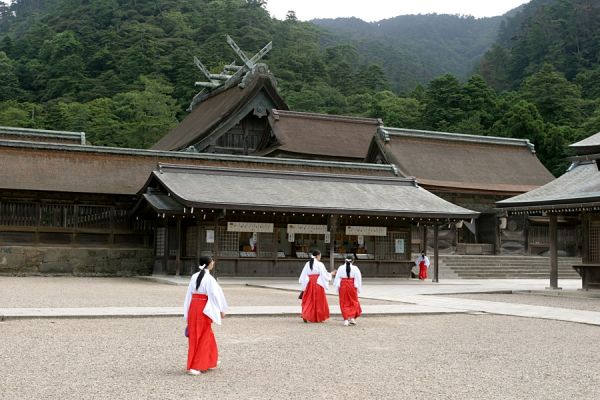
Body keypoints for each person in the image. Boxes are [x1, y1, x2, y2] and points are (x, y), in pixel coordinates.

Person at [183, 256, 228, 375]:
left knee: (202, 334)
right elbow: (215, 295)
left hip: (194, 306)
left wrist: (187, 312)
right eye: (212, 261)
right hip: (203, 307)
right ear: (209, 264)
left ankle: (210, 359)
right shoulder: (209, 279)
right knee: (203, 336)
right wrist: (221, 310)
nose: (213, 262)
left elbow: (188, 295)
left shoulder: (194, 277)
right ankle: (196, 366)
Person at [298, 249, 332, 323]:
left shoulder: (307, 263)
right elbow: (324, 274)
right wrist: (331, 274)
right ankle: (318, 317)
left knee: (308, 300)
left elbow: (303, 275)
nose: (320, 257)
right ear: (317, 256)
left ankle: (305, 314)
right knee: (319, 301)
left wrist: (303, 285)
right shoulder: (320, 264)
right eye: (320, 256)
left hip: (309, 283)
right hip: (318, 283)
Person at [334, 255, 362, 326]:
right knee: (353, 301)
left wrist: (337, 287)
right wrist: (358, 288)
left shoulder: (340, 268)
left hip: (343, 285)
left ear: (345, 260)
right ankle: (352, 318)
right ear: (353, 261)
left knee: (343, 302)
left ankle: (346, 319)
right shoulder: (355, 268)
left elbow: (337, 278)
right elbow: (358, 279)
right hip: (352, 285)